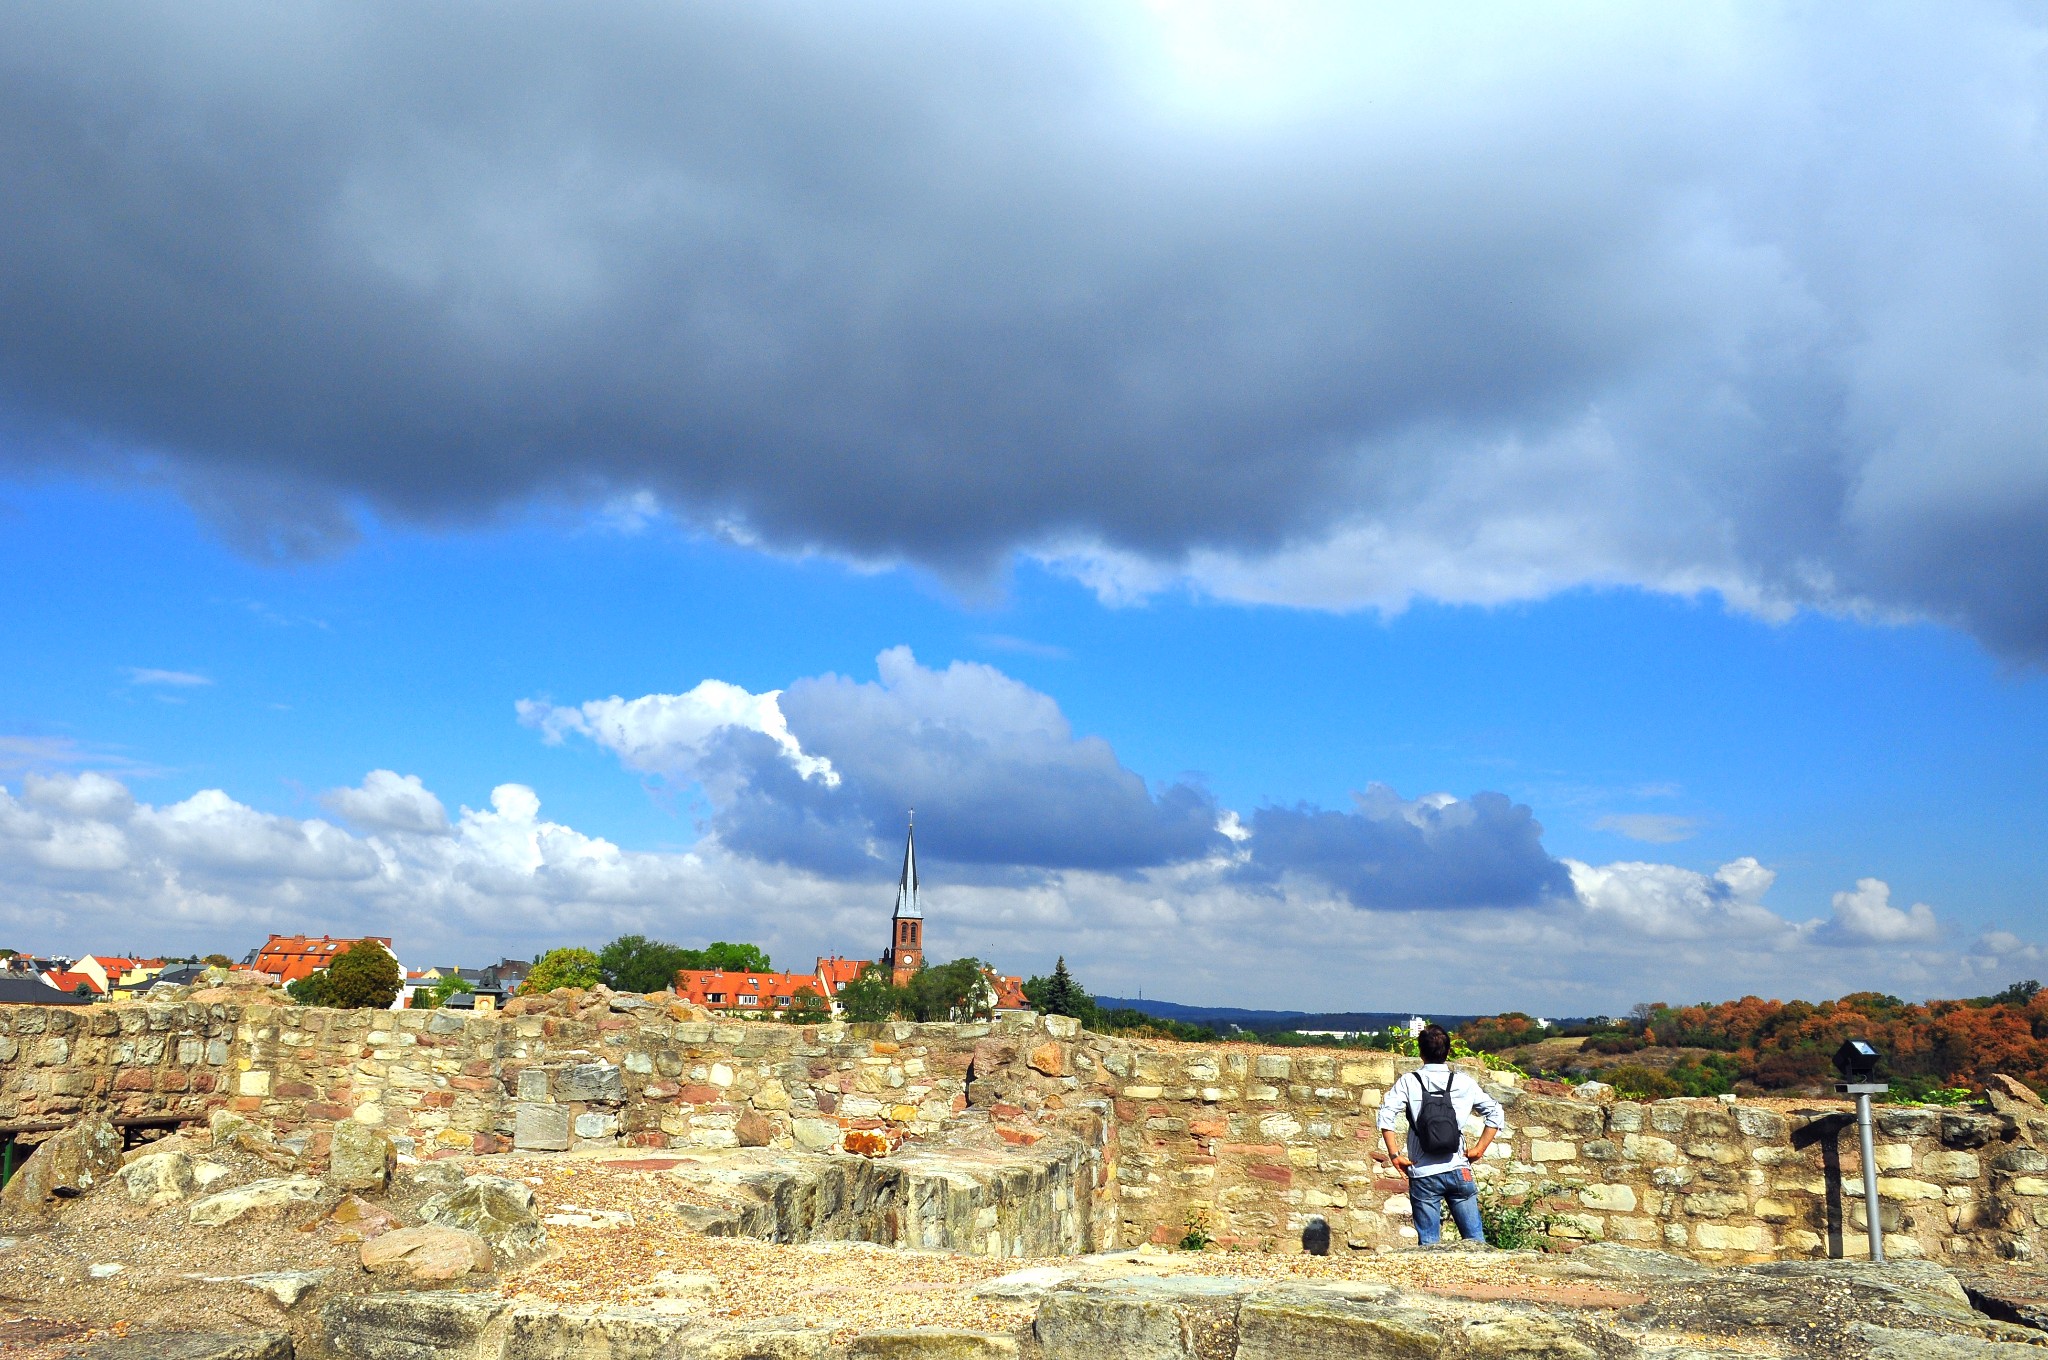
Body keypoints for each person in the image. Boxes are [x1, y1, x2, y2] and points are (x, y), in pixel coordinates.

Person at [1377, 1024, 1506, 1244]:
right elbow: (1495, 1112)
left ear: (1420, 1052)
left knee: (1429, 1244)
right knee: (1475, 1240)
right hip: (1458, 1168)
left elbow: (1386, 1114)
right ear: (1448, 1051)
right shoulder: (1463, 1081)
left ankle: (1431, 1279)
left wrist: (1395, 1154)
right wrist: (1478, 1149)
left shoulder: (1409, 1082)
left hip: (1423, 1171)